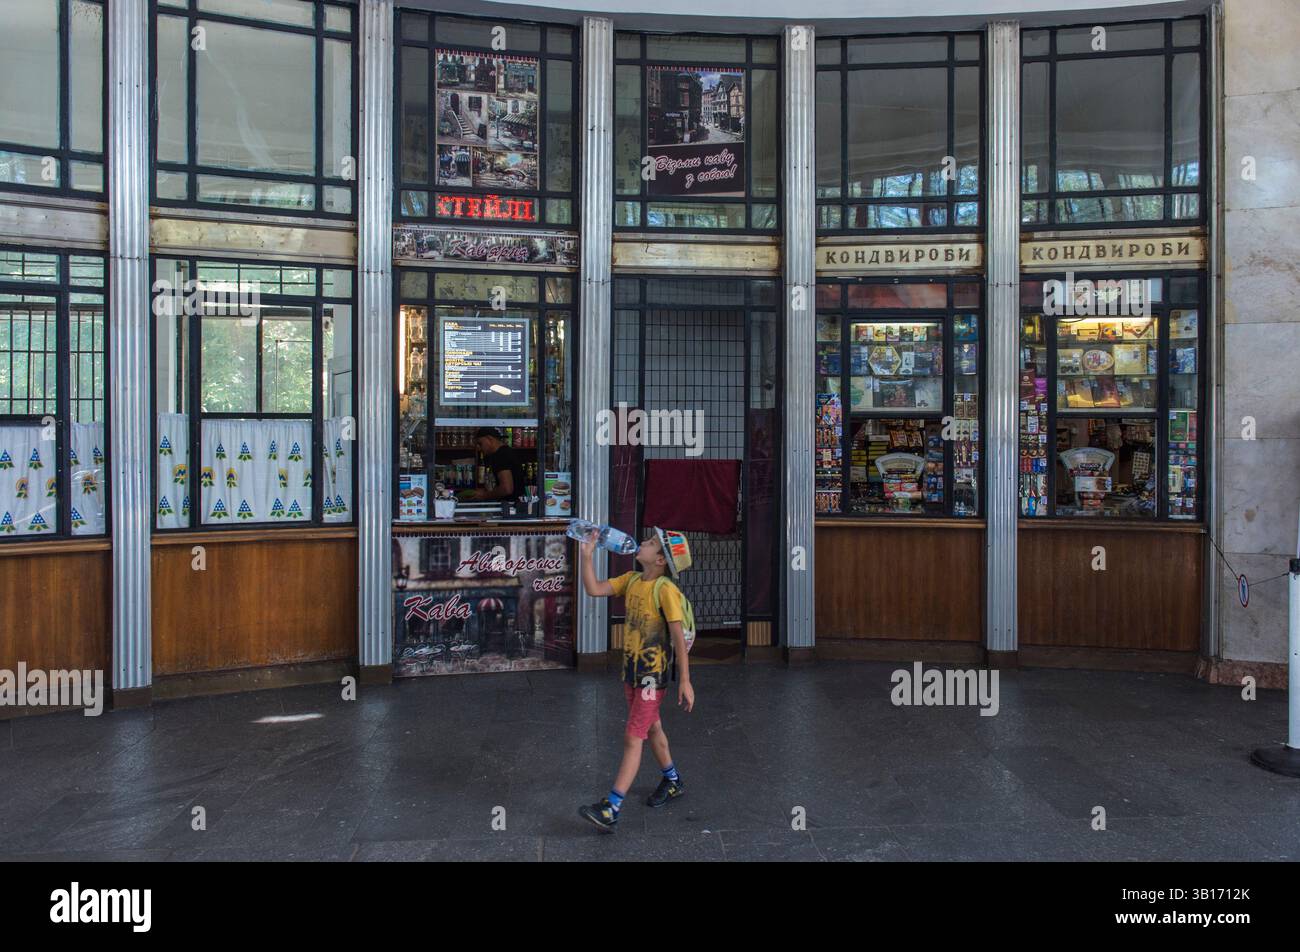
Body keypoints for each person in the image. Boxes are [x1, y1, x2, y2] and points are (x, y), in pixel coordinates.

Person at [577, 527, 694, 833]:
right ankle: (672, 780)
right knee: (652, 727)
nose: (642, 542)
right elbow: (594, 589)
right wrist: (587, 557)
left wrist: (685, 680)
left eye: (651, 543)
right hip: (631, 671)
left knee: (633, 736)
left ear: (660, 560)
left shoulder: (665, 590)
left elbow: (677, 638)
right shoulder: (631, 581)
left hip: (651, 678)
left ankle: (611, 807)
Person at [464, 427, 527, 502]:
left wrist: (484, 495)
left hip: (510, 506)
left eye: (480, 443)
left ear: (489, 438)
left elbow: (506, 489)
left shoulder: (500, 455)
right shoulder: (507, 451)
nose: (479, 448)